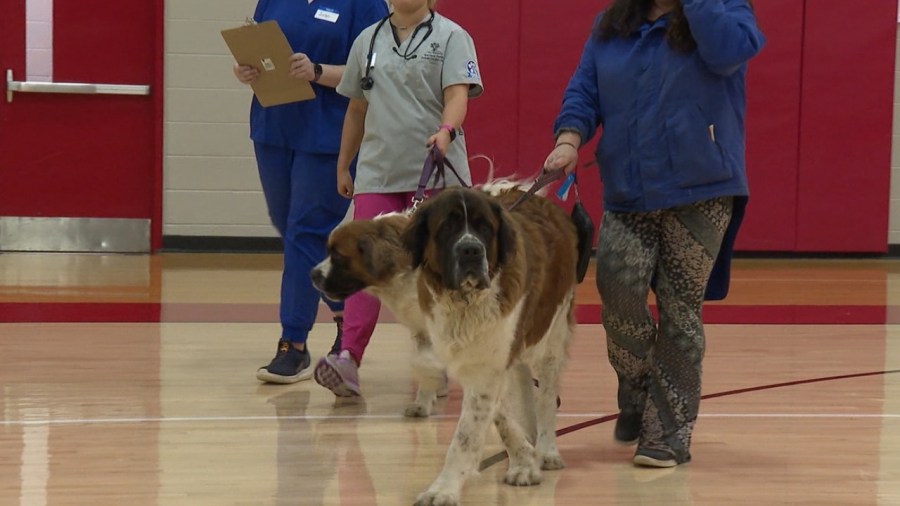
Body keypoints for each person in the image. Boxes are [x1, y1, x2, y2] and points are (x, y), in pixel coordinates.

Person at [544, 0, 764, 467]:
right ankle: (638, 387)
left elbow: (729, 52)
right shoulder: (612, 25)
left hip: (702, 189)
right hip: (629, 190)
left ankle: (668, 430)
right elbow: (584, 90)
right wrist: (569, 139)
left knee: (680, 307)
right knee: (618, 293)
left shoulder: (724, 11)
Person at [312, 0, 483, 397]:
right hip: (378, 171)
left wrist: (446, 130)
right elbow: (356, 108)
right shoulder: (367, 40)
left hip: (434, 169)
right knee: (361, 263)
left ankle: (434, 356)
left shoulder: (452, 37)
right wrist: (344, 165)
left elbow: (457, 95)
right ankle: (348, 359)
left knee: (435, 270)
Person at [234, 0, 389, 384]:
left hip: (328, 133)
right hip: (273, 125)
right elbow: (261, 47)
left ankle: (294, 344)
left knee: (304, 231)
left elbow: (374, 71)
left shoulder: (364, 4)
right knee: (290, 227)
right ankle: (341, 305)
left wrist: (317, 71)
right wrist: (247, 68)